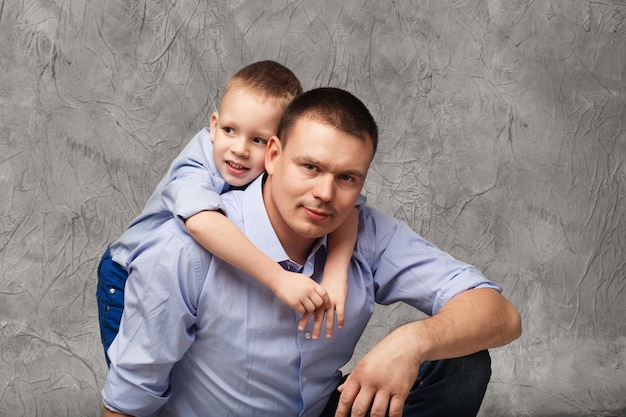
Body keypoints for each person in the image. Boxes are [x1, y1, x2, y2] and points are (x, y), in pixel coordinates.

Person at [101, 87, 522, 417]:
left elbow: (500, 314)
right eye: (311, 167)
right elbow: (128, 398)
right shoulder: (188, 244)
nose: (325, 194)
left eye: (347, 177)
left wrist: (410, 341)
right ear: (273, 155)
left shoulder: (366, 231)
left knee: (462, 362)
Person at [97, 61, 358, 365]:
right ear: (213, 125)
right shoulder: (196, 164)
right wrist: (280, 279)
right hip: (128, 274)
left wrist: (337, 276)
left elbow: (348, 212)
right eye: (230, 130)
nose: (239, 149)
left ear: (279, 148)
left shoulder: (282, 174)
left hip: (192, 279)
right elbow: (202, 223)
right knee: (140, 371)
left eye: (258, 140)